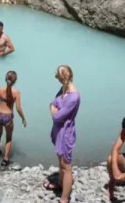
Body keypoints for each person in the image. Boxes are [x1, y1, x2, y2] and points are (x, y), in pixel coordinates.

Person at [43, 65, 80, 203]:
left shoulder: (73, 97)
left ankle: (64, 199)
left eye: (57, 76)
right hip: (58, 131)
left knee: (67, 166)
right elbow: (53, 103)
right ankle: (60, 184)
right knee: (61, 163)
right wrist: (54, 108)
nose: (56, 78)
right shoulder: (63, 89)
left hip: (65, 133)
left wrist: (53, 110)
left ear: (62, 77)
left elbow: (57, 116)